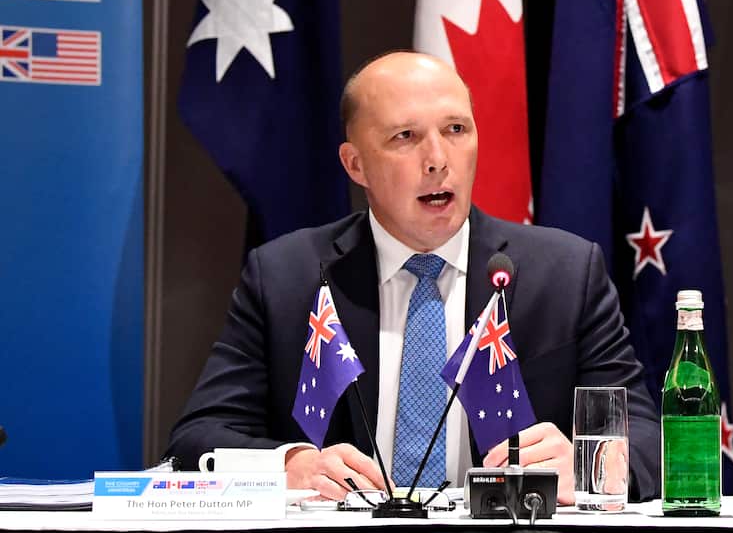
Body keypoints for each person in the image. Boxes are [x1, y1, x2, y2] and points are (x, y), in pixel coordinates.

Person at [167, 51, 660, 503]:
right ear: (355, 164)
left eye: (456, 129)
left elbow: (647, 438)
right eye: (405, 137)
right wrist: (290, 465)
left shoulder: (565, 274)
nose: (438, 160)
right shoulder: (285, 277)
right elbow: (198, 437)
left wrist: (592, 465)